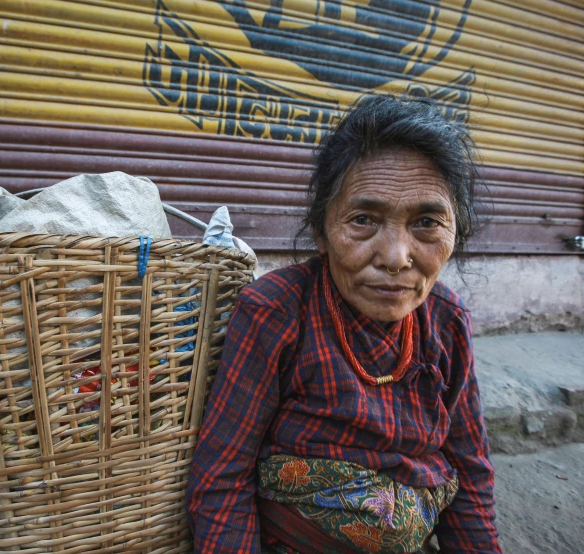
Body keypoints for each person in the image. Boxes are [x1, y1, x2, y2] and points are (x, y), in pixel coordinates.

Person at [186, 95, 501, 554]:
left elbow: (470, 474)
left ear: (456, 231)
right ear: (322, 230)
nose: (395, 258)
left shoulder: (447, 323)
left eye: (427, 222)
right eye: (363, 220)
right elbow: (222, 478)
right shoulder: (275, 312)